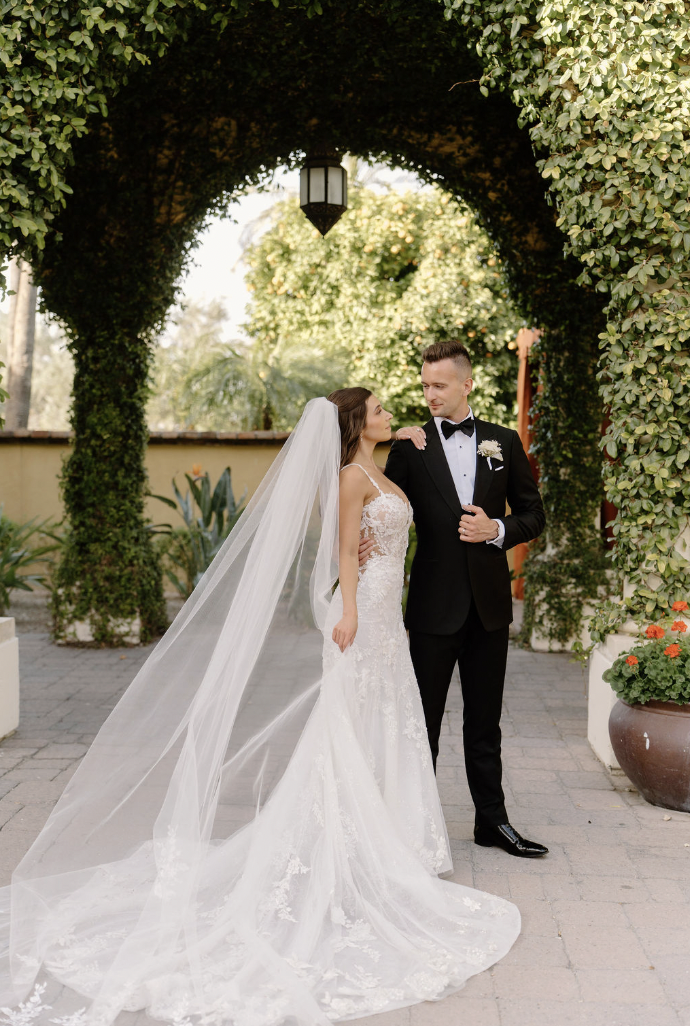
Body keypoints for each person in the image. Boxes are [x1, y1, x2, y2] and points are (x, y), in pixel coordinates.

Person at [0, 391, 519, 1026]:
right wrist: (349, 609)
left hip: (390, 615)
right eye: (380, 408)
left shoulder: (385, 464)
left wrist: (410, 434)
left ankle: (394, 831)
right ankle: (350, 838)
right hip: (363, 614)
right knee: (350, 724)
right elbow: (344, 551)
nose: (392, 411)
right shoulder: (350, 477)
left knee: (389, 720)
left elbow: (401, 496)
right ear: (357, 423)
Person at [372, 340, 549, 859]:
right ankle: (412, 828)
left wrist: (497, 528)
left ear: (466, 384)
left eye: (439, 385)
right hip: (431, 607)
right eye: (424, 385)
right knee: (420, 720)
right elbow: (382, 508)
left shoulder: (504, 441)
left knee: (484, 722)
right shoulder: (409, 446)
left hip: (491, 607)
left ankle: (492, 823)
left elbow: (533, 514)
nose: (429, 394)